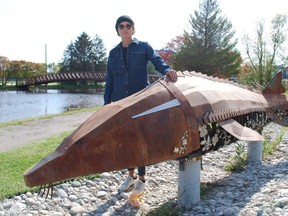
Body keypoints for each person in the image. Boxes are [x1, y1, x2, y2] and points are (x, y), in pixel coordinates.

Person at [103, 15, 178, 196]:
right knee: (125, 140)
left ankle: (142, 179)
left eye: (128, 25)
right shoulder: (113, 53)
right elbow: (109, 79)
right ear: (118, 31)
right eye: (121, 26)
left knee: (139, 139)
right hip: (120, 102)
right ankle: (131, 176)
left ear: (133, 29)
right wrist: (106, 104)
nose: (125, 28)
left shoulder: (144, 47)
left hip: (139, 100)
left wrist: (168, 70)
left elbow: (157, 61)